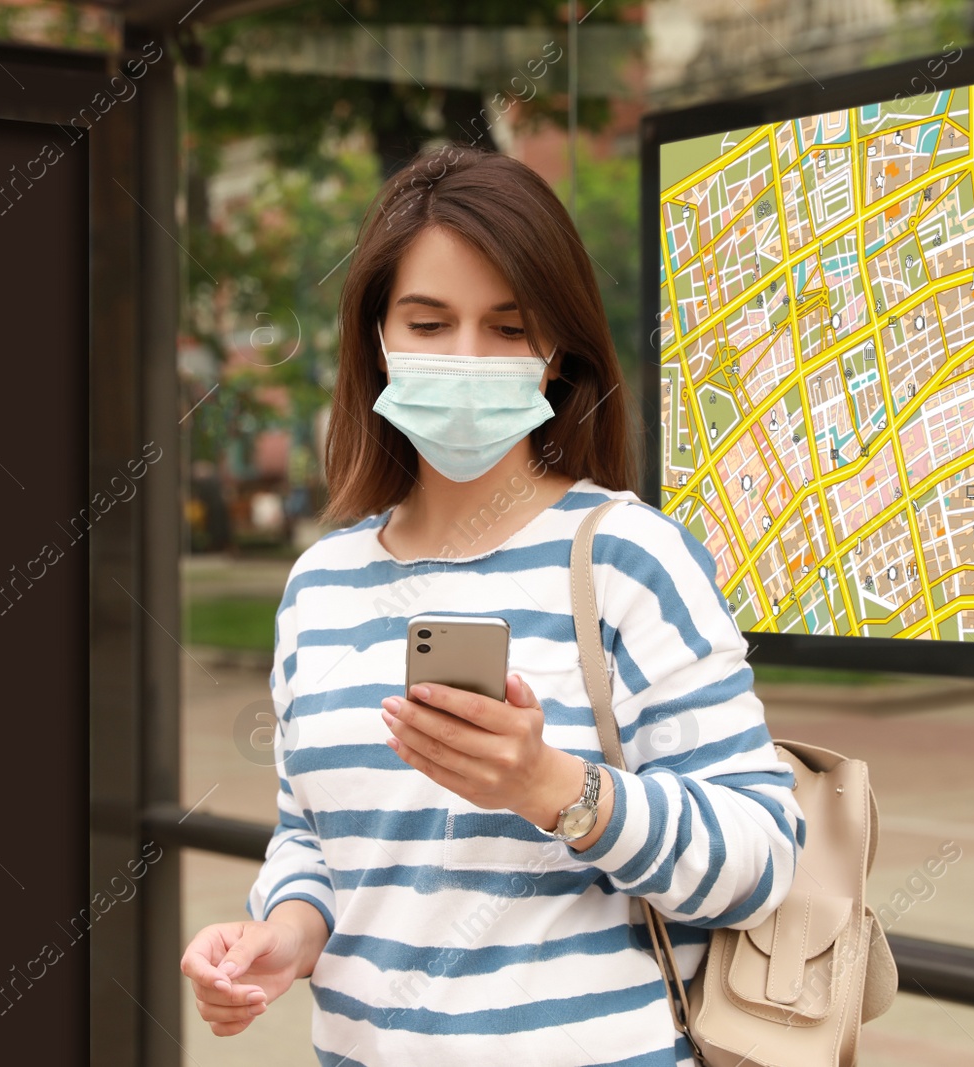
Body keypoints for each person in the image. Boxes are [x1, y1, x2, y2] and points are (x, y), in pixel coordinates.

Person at [180, 143, 802, 1066]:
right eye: (428, 323)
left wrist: (554, 789)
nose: (467, 356)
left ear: (556, 352)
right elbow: (312, 835)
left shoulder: (629, 557)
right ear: (378, 341)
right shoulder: (320, 585)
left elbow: (761, 856)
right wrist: (287, 931)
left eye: (508, 329)